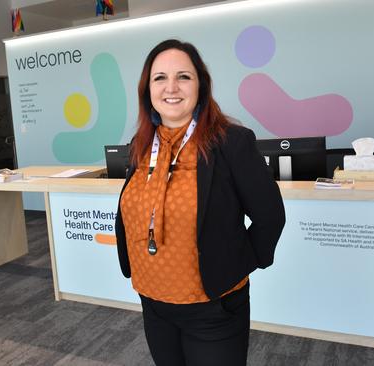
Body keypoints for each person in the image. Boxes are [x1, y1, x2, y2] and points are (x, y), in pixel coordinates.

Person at [115, 39, 285, 366]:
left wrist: (238, 263)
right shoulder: (141, 145)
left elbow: (270, 217)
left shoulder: (231, 142)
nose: (171, 87)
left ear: (201, 85)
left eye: (184, 76)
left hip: (212, 307)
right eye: (160, 78)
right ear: (147, 89)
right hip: (152, 301)